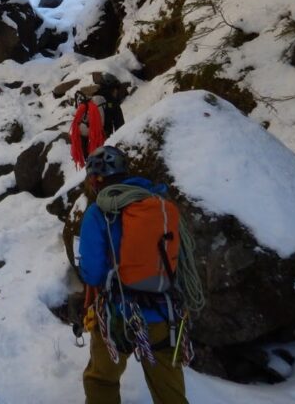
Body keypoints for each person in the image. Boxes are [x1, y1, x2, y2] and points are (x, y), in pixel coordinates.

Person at [78, 146, 189, 404]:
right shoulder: (159, 205)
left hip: (118, 314)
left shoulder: (98, 212)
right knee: (169, 391)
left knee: (101, 380)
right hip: (164, 312)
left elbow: (93, 274)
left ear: (96, 178)